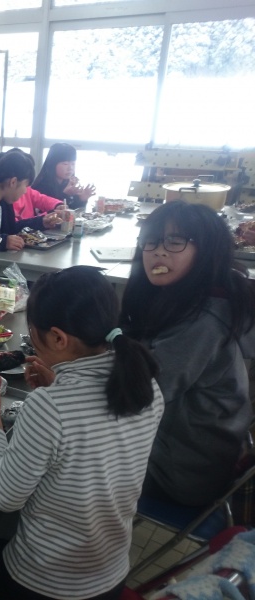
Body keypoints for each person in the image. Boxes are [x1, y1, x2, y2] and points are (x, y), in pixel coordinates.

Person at [0, 266, 163, 600]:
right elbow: (90, 433)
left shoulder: (49, 407)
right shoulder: (144, 385)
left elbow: (5, 497)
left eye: (33, 333)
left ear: (58, 338)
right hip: (109, 578)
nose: (32, 342)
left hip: (42, 585)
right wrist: (57, 386)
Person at [120, 200, 255, 507]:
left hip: (180, 471)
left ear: (206, 250)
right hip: (192, 449)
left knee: (54, 458)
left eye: (175, 241)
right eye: (151, 241)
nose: (158, 251)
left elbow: (137, 396)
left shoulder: (203, 321)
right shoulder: (188, 295)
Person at [30, 142, 95, 210]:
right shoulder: (41, 186)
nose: (70, 168)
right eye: (65, 164)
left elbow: (73, 211)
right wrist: (65, 194)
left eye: (73, 164)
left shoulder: (70, 183)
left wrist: (82, 199)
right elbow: (48, 214)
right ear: (52, 164)